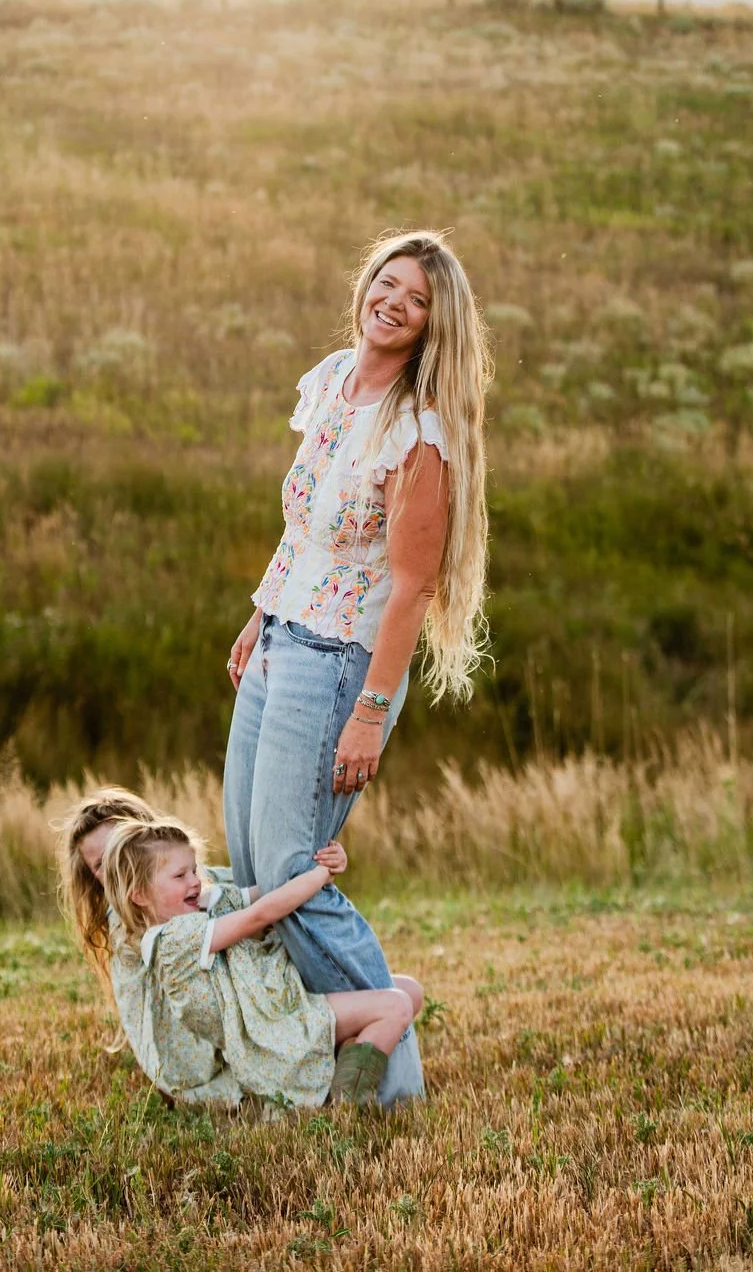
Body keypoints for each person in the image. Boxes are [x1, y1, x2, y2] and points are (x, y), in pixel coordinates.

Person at [223, 229, 492, 1106]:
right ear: (366, 285)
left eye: (415, 300)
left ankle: (390, 1085)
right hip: (282, 637)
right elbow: (303, 528)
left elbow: (411, 587)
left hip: (340, 661)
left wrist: (372, 709)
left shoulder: (420, 433)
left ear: (429, 326)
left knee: (295, 872)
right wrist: (259, 614)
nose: (394, 302)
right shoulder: (334, 380)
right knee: (256, 870)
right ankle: (288, 1061)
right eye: (388, 282)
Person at [96, 815, 423, 1106]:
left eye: (194, 870)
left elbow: (268, 892)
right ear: (138, 894)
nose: (195, 881)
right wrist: (319, 875)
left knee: (411, 991)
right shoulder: (170, 942)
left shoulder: (202, 906)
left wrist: (321, 866)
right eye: (180, 875)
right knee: (396, 1006)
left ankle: (345, 1063)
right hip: (274, 1029)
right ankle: (348, 1107)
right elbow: (260, 914)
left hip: (282, 1001)